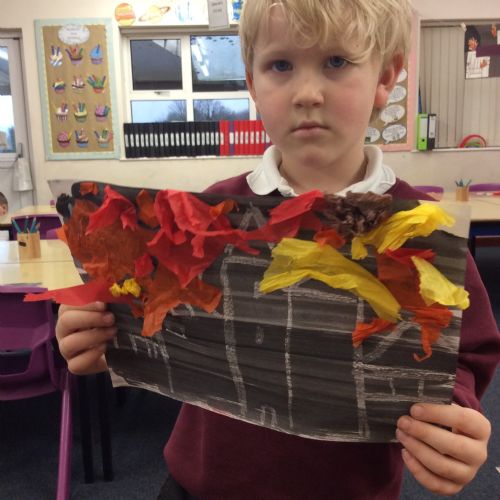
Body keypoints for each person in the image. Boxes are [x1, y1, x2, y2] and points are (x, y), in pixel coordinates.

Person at [56, 1, 500, 498]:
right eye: (281, 65)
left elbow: (469, 350)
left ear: (385, 78)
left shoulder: (421, 232)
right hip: (201, 486)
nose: (307, 93)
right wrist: (100, 333)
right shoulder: (209, 215)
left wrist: (454, 416)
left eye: (336, 62)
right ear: (252, 83)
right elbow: (153, 312)